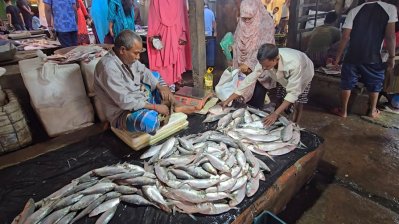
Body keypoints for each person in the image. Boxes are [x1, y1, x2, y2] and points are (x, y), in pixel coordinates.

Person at [94, 30, 197, 134]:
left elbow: (145, 72)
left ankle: (175, 103)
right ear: (122, 50)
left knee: (156, 77)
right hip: (123, 112)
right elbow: (125, 102)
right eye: (136, 53)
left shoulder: (127, 58)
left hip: (140, 98)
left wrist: (160, 86)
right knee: (148, 122)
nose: (138, 57)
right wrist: (155, 107)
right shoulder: (108, 68)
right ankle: (159, 111)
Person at [332, 0, 397, 118]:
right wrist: (392, 57)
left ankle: (343, 111)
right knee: (375, 83)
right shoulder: (389, 9)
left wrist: (337, 58)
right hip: (373, 56)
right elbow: (390, 36)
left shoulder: (354, 11)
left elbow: (345, 37)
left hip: (352, 56)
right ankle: (372, 111)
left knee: (347, 83)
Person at [220, 0, 275, 108]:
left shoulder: (266, 23)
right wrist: (233, 49)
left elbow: (265, 48)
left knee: (255, 104)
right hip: (242, 70)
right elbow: (238, 39)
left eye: (249, 18)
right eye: (243, 18)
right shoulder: (242, 22)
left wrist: (249, 63)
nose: (246, 21)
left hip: (259, 69)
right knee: (240, 101)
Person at [258, 44, 314, 126]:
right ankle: (276, 117)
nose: (264, 68)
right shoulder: (265, 60)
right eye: (262, 65)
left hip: (303, 74)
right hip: (284, 75)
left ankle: (295, 124)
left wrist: (275, 113)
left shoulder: (295, 64)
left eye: (267, 66)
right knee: (280, 96)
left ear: (275, 60)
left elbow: (293, 93)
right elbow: (250, 79)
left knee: (298, 100)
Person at [147, 0, 192, 92]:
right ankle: (170, 90)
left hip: (162, 36)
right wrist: (183, 33)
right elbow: (183, 18)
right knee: (172, 64)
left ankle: (165, 90)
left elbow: (153, 21)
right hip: (176, 35)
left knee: (164, 64)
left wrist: (152, 36)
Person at [204, 1, 216, 68]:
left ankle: (203, 66)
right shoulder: (211, 12)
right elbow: (214, 23)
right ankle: (210, 67)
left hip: (201, 36)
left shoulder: (198, 13)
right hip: (210, 35)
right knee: (210, 52)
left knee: (202, 52)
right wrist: (215, 32)